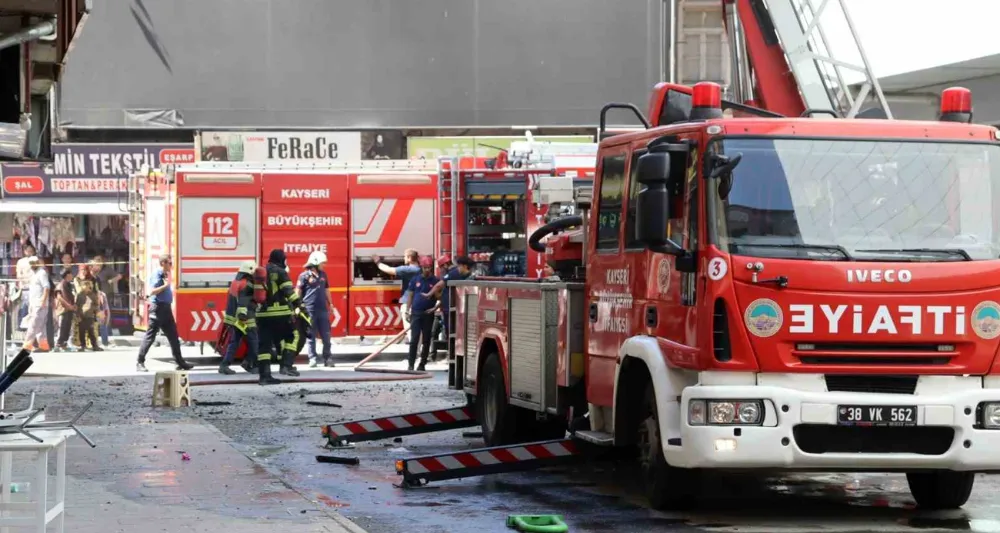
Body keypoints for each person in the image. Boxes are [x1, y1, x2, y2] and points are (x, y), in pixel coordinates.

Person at [136, 255, 193, 372]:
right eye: (169, 263)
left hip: (166, 309)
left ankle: (180, 362)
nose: (171, 265)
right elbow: (152, 291)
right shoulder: (157, 274)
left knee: (173, 336)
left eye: (171, 263)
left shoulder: (165, 274)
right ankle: (140, 362)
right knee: (150, 337)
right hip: (158, 308)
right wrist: (166, 285)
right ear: (163, 263)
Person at [257, 249, 301, 382]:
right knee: (293, 337)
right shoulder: (281, 272)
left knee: (265, 345)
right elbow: (289, 292)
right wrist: (300, 305)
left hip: (262, 315)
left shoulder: (262, 271)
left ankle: (264, 376)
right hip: (279, 313)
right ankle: (286, 366)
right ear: (281, 258)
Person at [218, 261, 262, 376]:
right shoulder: (246, 284)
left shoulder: (235, 282)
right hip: (245, 319)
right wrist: (244, 315)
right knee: (254, 342)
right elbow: (243, 301)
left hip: (233, 318)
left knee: (235, 342)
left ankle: (224, 365)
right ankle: (251, 364)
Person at [374, 249, 420, 341]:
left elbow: (388, 270)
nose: (403, 258)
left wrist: (377, 262)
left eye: (404, 256)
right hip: (420, 303)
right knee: (418, 330)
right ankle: (420, 352)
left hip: (409, 304)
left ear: (409, 258)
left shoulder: (408, 269)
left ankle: (414, 353)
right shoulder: (421, 270)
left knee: (410, 330)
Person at [297, 251, 333, 368]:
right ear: (315, 263)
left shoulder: (324, 275)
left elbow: (327, 290)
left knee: (326, 336)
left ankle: (328, 358)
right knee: (311, 336)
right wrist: (297, 306)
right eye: (322, 263)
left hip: (322, 310)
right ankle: (312, 359)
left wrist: (331, 304)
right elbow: (298, 291)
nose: (324, 265)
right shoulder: (304, 276)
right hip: (309, 310)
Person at [428, 256, 474, 345]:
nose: (441, 270)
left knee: (451, 331)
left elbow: (439, 286)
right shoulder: (455, 273)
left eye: (441, 267)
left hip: (451, 309)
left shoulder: (452, 274)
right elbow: (446, 295)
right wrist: (435, 308)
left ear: (445, 265)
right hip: (449, 308)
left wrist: (429, 294)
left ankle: (452, 350)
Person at [406, 256, 440, 372]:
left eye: (429, 268)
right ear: (421, 267)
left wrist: (435, 308)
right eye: (425, 267)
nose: (427, 270)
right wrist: (407, 310)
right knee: (414, 339)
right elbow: (410, 295)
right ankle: (410, 364)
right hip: (416, 313)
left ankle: (422, 363)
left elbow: (439, 296)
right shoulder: (415, 280)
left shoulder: (435, 281)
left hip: (428, 313)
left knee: (426, 340)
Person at [21, 257, 50, 352]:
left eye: (34, 263)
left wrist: (42, 301)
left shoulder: (42, 273)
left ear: (37, 263)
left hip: (40, 304)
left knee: (33, 325)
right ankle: (44, 346)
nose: (32, 265)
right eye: (31, 263)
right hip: (34, 304)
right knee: (40, 326)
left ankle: (27, 345)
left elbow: (46, 288)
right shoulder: (33, 274)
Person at [72, 266, 101, 352]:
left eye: (85, 270)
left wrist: (96, 309)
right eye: (82, 270)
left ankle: (94, 345)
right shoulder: (77, 279)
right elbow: (78, 293)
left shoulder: (92, 281)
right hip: (81, 313)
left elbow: (96, 293)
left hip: (90, 314)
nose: (84, 272)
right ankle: (82, 345)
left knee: (91, 330)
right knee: (81, 330)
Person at [53, 268, 76, 352]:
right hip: (63, 309)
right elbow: (59, 297)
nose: (72, 275)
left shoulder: (69, 285)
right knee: (62, 326)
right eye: (71, 274)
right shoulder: (61, 284)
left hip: (69, 309)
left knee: (67, 327)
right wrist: (68, 305)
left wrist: (72, 306)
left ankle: (64, 344)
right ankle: (58, 344)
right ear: (67, 275)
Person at [15, 243, 36, 332]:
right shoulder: (21, 261)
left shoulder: (36, 260)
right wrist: (24, 281)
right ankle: (22, 326)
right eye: (28, 251)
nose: (30, 252)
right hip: (25, 287)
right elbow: (19, 274)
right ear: (25, 251)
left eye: (31, 251)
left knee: (34, 308)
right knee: (25, 306)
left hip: (35, 287)